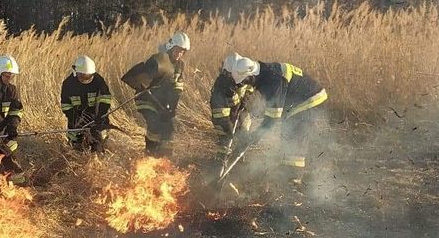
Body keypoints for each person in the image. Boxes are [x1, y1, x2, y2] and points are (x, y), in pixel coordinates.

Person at [211, 52, 329, 181]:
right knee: (287, 133)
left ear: (251, 76)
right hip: (298, 101)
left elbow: (273, 117)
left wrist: (256, 136)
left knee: (295, 136)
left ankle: (292, 182)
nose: (245, 84)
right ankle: (288, 174)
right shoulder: (264, 73)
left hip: (310, 99)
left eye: (245, 81)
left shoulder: (272, 81)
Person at [120, 31, 189, 157]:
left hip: (162, 103)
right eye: (178, 50)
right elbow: (143, 79)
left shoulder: (180, 65)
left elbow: (177, 87)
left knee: (169, 128)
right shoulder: (159, 60)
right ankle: (150, 154)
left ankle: (165, 158)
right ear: (171, 47)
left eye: (183, 51)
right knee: (155, 124)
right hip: (146, 99)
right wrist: (142, 84)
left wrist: (171, 107)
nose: (179, 54)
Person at [60, 55, 113, 153]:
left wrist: (101, 115)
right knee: (76, 150)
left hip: (97, 119)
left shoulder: (98, 81)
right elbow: (66, 105)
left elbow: (105, 99)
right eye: (83, 76)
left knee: (98, 147)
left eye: (88, 76)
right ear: (76, 72)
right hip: (76, 120)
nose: (86, 78)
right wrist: (76, 119)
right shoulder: (68, 84)